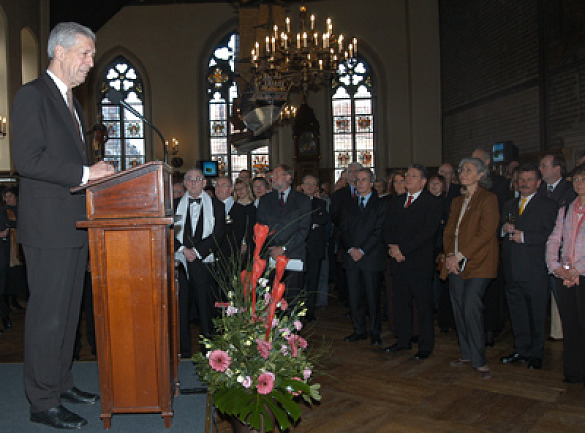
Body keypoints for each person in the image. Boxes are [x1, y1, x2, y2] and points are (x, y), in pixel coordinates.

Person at [11, 22, 114, 429]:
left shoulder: (71, 102)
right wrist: (88, 172)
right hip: (48, 227)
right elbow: (28, 161)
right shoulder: (31, 95)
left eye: (92, 54)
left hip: (73, 224)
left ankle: (62, 382)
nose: (91, 62)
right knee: (47, 317)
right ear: (60, 52)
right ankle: (42, 401)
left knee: (69, 315)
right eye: (86, 54)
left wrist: (91, 177)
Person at [442, 157, 498, 379]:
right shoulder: (457, 201)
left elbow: (486, 233)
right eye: (461, 169)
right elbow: (448, 231)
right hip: (455, 262)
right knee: (458, 308)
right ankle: (466, 353)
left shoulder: (488, 198)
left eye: (468, 170)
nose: (463, 173)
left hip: (478, 262)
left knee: (471, 307)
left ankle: (479, 359)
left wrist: (460, 255)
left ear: (481, 175)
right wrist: (449, 255)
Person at [500, 163, 557, 370]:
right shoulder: (509, 204)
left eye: (529, 180)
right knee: (518, 313)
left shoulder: (548, 205)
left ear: (538, 183)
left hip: (534, 270)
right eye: (521, 180)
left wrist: (524, 236)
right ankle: (521, 349)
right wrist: (504, 230)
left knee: (536, 314)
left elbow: (550, 235)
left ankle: (536, 354)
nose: (523, 183)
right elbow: (502, 230)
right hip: (512, 269)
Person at [384, 164, 442, 360]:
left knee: (423, 306)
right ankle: (403, 340)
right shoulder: (398, 201)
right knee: (400, 303)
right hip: (398, 261)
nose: (408, 179)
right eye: (407, 175)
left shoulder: (431, 202)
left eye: (413, 176)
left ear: (423, 182)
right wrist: (392, 247)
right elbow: (388, 227)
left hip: (418, 262)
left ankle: (425, 346)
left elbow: (427, 232)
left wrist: (403, 249)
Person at [174, 168, 225, 357]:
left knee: (205, 309)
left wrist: (197, 251)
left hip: (204, 262)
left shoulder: (216, 205)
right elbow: (167, 231)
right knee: (181, 309)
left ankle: (209, 352)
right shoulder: (174, 204)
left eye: (197, 179)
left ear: (204, 183)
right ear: (185, 183)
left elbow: (218, 234)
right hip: (180, 262)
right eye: (189, 179)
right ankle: (183, 351)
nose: (193, 182)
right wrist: (182, 250)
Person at [546, 163, 585, 384]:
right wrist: (555, 265)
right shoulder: (567, 209)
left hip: (582, 273)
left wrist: (579, 268)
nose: (580, 184)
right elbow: (554, 239)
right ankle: (574, 371)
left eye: (584, 179)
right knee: (570, 325)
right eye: (577, 179)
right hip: (566, 274)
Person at [340, 168, 387, 345]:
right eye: (357, 180)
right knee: (354, 297)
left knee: (373, 298)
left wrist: (362, 250)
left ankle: (375, 332)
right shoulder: (349, 204)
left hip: (371, 258)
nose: (360, 183)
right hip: (351, 257)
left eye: (364, 180)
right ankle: (359, 330)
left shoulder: (381, 204)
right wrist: (351, 248)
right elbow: (342, 230)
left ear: (372, 183)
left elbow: (379, 231)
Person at [257, 164, 311, 304]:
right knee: (270, 300)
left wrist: (283, 248)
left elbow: (303, 230)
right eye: (272, 176)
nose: (272, 179)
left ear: (288, 177)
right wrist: (272, 247)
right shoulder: (265, 200)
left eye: (276, 175)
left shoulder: (302, 200)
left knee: (291, 300)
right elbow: (261, 227)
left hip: (293, 255)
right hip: (271, 256)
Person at [539, 152, 576, 342]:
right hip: (541, 251)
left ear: (557, 168)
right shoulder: (539, 190)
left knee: (564, 299)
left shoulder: (570, 191)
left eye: (544, 166)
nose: (541, 169)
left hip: (564, 254)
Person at [301, 175, 329, 322]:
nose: (310, 186)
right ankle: (296, 311)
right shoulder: (296, 201)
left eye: (313, 184)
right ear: (302, 185)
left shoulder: (320, 203)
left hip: (315, 248)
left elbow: (323, 219)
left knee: (313, 282)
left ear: (317, 187)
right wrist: (312, 222)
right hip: (298, 248)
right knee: (298, 282)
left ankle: (310, 312)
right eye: (308, 183)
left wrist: (308, 221)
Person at [215, 176, 255, 267]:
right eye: (217, 185)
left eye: (223, 185)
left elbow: (243, 232)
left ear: (231, 189)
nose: (219, 188)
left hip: (232, 256)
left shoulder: (240, 209)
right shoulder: (209, 206)